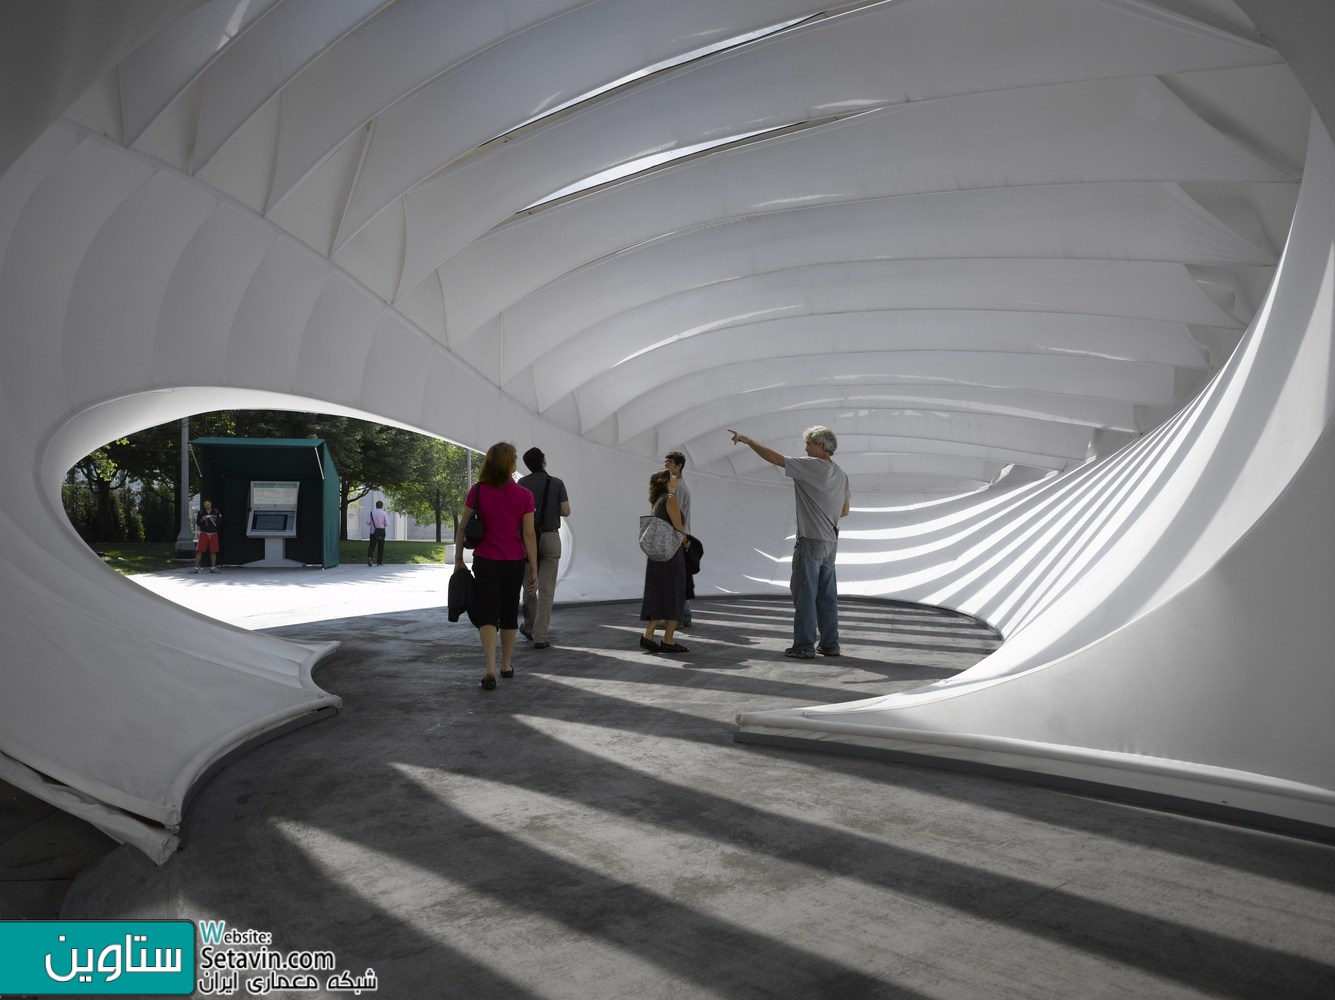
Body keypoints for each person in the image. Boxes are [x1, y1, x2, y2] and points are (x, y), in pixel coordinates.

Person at [728, 425, 850, 658]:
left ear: (821, 447)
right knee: (827, 595)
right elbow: (844, 510)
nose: (805, 448)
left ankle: (804, 646)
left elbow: (776, 459)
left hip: (810, 540)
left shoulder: (812, 466)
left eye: (809, 444)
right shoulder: (841, 474)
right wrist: (825, 513)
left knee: (805, 592)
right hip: (830, 542)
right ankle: (830, 644)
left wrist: (748, 441)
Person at [454, 443, 539, 690]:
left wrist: (459, 559)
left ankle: (489, 666)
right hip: (513, 561)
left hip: (485, 561)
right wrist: (533, 568)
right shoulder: (524, 495)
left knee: (487, 611)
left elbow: (462, 527)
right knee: (510, 609)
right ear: (511, 463)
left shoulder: (478, 491)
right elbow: (529, 534)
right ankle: (506, 664)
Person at [517, 447, 570, 649]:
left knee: (530, 586)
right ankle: (540, 636)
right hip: (550, 536)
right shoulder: (556, 483)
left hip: (526, 539)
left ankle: (529, 628)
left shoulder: (521, 484)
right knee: (546, 590)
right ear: (543, 461)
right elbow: (566, 511)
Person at [639, 469, 691, 654]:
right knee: (675, 593)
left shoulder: (657, 501)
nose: (675, 478)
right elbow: (678, 527)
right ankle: (668, 639)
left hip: (657, 557)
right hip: (671, 555)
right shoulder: (670, 498)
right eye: (672, 476)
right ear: (665, 481)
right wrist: (686, 540)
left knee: (660, 594)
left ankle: (649, 635)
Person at [664, 451, 692, 627]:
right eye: (666, 462)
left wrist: (680, 538)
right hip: (678, 537)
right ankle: (685, 615)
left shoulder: (679, 488)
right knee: (678, 579)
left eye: (670, 462)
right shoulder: (676, 484)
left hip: (676, 538)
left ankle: (680, 618)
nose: (666, 465)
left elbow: (677, 516)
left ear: (679, 466)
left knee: (675, 580)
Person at [190, 499, 222, 574]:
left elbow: (220, 522)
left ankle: (213, 567)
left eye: (208, 504)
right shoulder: (201, 512)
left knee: (213, 551)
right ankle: (195, 568)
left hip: (214, 533)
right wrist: (202, 519)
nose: (206, 506)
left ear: (211, 504)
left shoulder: (216, 511)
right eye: (205, 505)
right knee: (199, 550)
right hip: (204, 533)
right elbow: (198, 523)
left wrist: (213, 519)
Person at [366, 500, 388, 566]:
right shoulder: (384, 513)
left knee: (372, 546)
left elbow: (367, 522)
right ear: (382, 506)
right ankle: (379, 561)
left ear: (376, 505)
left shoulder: (372, 512)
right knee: (381, 547)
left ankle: (370, 557)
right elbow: (387, 523)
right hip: (381, 532)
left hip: (373, 531)